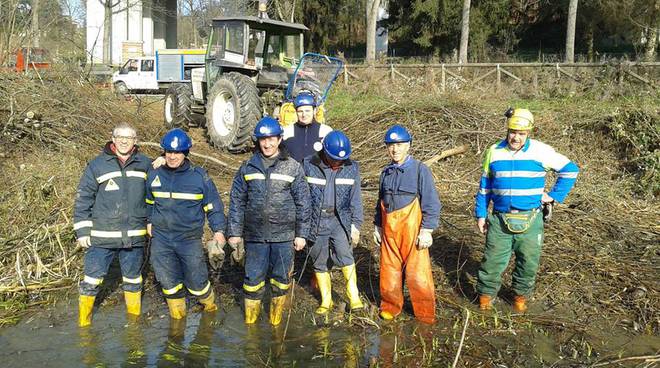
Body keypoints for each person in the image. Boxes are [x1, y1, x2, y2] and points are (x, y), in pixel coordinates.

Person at [475, 108, 579, 312]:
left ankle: (520, 298)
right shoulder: (494, 151)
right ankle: (486, 298)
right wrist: (480, 214)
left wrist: (553, 196)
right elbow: (485, 185)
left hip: (531, 219)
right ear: (507, 130)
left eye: (521, 134)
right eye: (513, 132)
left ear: (529, 132)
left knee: (528, 262)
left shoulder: (542, 151)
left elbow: (570, 171)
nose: (516, 137)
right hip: (499, 219)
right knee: (492, 261)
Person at [227, 116, 311, 326]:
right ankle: (250, 326)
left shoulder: (292, 167)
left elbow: (303, 202)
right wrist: (234, 232)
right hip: (255, 236)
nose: (267, 144)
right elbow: (237, 200)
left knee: (281, 281)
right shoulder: (247, 167)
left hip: (284, 237)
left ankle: (275, 323)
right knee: (252, 281)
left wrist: (302, 234)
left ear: (279, 139)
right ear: (257, 141)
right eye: (263, 139)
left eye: (271, 139)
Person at [74, 122, 151, 327]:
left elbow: (155, 194)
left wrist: (161, 160)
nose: (124, 141)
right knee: (91, 281)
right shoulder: (97, 165)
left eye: (129, 137)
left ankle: (133, 325)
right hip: (101, 237)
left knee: (134, 281)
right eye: (120, 136)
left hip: (134, 236)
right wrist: (82, 231)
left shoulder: (145, 164)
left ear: (136, 141)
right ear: (113, 138)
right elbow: (83, 199)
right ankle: (84, 326)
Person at [146, 128, 226, 320]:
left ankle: (210, 310)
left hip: (188, 239)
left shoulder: (199, 177)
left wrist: (218, 231)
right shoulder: (154, 174)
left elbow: (213, 206)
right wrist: (149, 220)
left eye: (177, 152)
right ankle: (177, 321)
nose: (173, 157)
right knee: (167, 281)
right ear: (163, 152)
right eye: (169, 152)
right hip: (161, 238)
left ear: (186, 153)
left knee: (197, 283)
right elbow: (148, 202)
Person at [373, 124, 441, 324]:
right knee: (389, 270)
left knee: (418, 273)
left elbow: (431, 202)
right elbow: (380, 202)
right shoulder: (385, 172)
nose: (395, 149)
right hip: (389, 231)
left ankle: (425, 312)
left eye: (400, 145)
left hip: (413, 232)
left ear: (408, 145)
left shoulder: (420, 170)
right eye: (391, 145)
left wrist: (427, 230)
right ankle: (390, 306)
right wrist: (377, 226)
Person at [302, 130, 364, 315]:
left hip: (340, 219)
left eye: (341, 160)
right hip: (316, 219)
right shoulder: (308, 164)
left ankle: (354, 298)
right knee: (319, 259)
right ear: (325, 152)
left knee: (346, 255)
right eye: (334, 159)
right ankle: (326, 300)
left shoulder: (352, 168)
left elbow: (356, 200)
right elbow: (301, 197)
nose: (338, 163)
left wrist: (356, 226)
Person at [282, 92, 332, 162]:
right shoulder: (287, 131)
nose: (304, 114)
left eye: (307, 111)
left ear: (314, 111)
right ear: (296, 112)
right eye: (300, 111)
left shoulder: (325, 131)